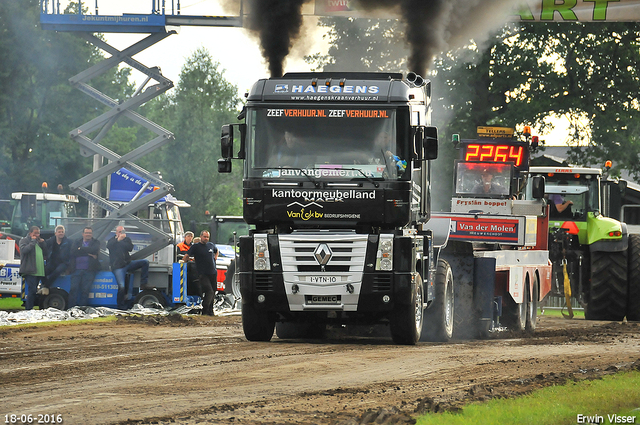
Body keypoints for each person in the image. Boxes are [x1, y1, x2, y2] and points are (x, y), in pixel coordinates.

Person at [107, 226, 150, 309]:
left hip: (128, 263)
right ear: (116, 232)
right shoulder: (112, 240)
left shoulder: (127, 240)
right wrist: (118, 240)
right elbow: (109, 246)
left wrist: (121, 241)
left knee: (145, 262)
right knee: (121, 287)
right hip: (118, 267)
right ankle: (120, 305)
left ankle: (143, 283)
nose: (121, 233)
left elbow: (129, 248)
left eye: (122, 231)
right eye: (119, 231)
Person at [182, 230, 218, 316]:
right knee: (209, 291)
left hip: (213, 272)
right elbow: (187, 255)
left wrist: (215, 258)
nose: (206, 239)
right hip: (203, 273)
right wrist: (182, 263)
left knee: (213, 291)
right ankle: (205, 310)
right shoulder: (196, 247)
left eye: (207, 237)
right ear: (201, 236)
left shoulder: (211, 245)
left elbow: (216, 251)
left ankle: (210, 310)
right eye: (204, 237)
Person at [68, 227, 101, 308]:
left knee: (85, 291)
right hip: (76, 270)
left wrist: (81, 249)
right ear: (83, 234)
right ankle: (71, 309)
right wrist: (89, 253)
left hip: (89, 271)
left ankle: (82, 310)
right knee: (73, 290)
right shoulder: (77, 241)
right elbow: (73, 252)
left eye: (90, 233)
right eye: (86, 233)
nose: (88, 235)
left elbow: (94, 250)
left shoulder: (96, 242)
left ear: (92, 234)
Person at [19, 226, 49, 310]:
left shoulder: (39, 242)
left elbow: (46, 253)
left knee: (34, 290)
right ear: (30, 233)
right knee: (32, 290)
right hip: (30, 270)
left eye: (38, 233)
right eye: (35, 233)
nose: (37, 235)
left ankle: (31, 307)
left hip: (39, 270)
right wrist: (32, 241)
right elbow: (24, 250)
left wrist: (43, 244)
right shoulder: (24, 240)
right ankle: (28, 309)